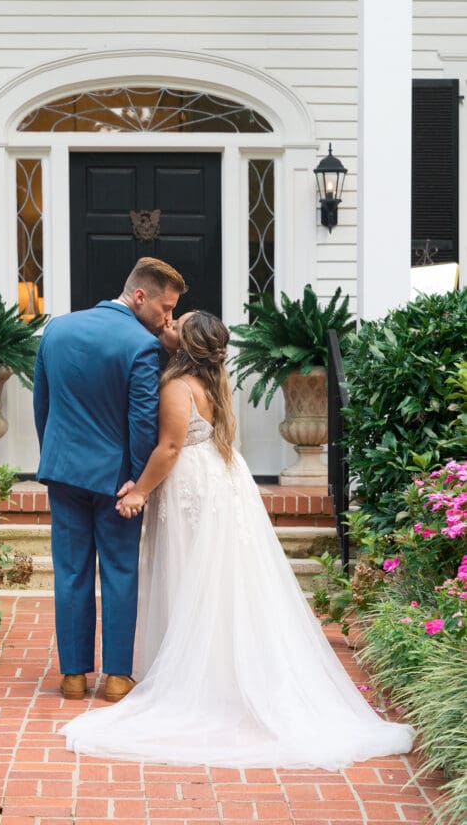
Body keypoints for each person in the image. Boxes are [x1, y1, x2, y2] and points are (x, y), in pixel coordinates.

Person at [61, 311, 415, 769]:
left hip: (191, 486)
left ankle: (198, 678)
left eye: (175, 324)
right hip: (222, 480)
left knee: (192, 576)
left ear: (185, 344)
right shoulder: (215, 381)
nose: (165, 326)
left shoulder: (175, 386)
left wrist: (140, 491)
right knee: (218, 580)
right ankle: (217, 668)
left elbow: (169, 448)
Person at [33, 257, 187, 703]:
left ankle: (74, 676)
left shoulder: (57, 330)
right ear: (140, 296)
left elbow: (43, 406)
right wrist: (139, 482)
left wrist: (56, 456)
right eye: (165, 308)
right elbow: (142, 422)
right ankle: (118, 676)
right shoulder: (142, 345)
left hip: (63, 471)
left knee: (71, 570)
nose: (168, 319)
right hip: (117, 480)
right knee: (119, 571)